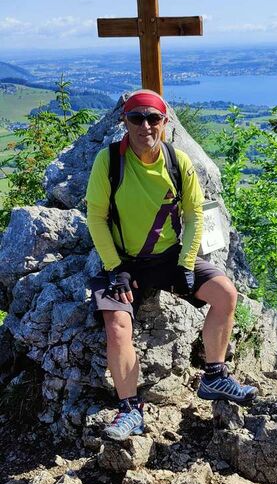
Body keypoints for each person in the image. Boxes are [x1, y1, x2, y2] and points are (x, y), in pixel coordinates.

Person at [86, 89, 256, 440]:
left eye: (153, 118)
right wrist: (115, 268)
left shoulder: (177, 162)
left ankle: (214, 377)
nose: (145, 126)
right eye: (136, 118)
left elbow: (194, 215)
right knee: (117, 325)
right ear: (125, 121)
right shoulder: (110, 161)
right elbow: (96, 218)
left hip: (168, 258)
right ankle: (130, 410)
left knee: (225, 294)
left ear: (164, 122)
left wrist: (186, 263)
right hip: (124, 262)